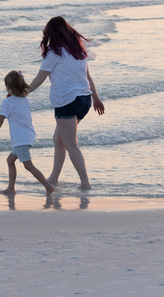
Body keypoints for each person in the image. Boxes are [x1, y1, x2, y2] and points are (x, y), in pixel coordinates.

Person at [27, 16, 105, 190]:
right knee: (59, 139)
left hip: (67, 101)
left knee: (71, 144)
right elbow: (88, 76)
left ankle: (85, 183)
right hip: (84, 100)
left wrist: (21, 93)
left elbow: (39, 79)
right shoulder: (78, 50)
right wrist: (96, 98)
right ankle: (53, 178)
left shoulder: (54, 52)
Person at [0, 70, 55, 196]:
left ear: (8, 87)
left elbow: (0, 120)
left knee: (28, 165)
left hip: (20, 139)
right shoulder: (24, 99)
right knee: (10, 161)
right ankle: (11, 188)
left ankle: (48, 186)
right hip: (27, 136)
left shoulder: (7, 102)